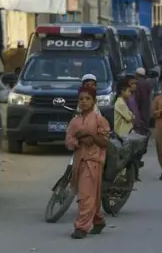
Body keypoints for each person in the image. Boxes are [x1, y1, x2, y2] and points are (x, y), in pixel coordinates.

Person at [65, 86, 110, 239]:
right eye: (81, 99)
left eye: (87, 99)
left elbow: (104, 142)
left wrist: (91, 135)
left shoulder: (100, 120)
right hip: (79, 161)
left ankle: (81, 227)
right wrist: (78, 140)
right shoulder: (74, 121)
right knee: (92, 194)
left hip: (94, 161)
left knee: (85, 195)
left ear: (94, 101)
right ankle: (98, 220)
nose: (84, 102)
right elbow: (68, 141)